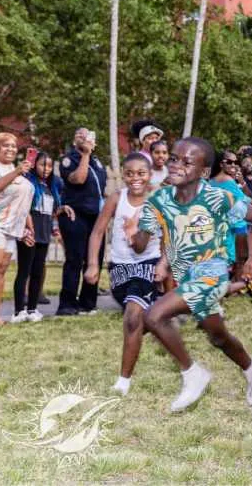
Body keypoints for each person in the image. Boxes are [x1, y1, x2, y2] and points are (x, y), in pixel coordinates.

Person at [132, 137, 252, 412]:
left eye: (187, 162)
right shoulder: (161, 198)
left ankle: (193, 374)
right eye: (174, 159)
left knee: (153, 316)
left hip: (212, 273)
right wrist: (138, 234)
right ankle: (251, 367)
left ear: (203, 172)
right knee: (217, 336)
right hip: (188, 277)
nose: (176, 165)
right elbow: (141, 242)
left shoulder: (217, 196)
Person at [84, 153, 163, 396]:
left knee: (132, 317)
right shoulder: (116, 198)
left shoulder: (157, 201)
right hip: (119, 267)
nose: (135, 178)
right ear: (123, 176)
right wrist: (92, 265)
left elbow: (171, 237)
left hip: (147, 263)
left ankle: (123, 381)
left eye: (141, 173)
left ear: (149, 175)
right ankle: (157, 323)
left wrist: (164, 263)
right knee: (137, 319)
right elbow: (97, 233)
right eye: (130, 173)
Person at [0, 133, 35, 327]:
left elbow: (20, 202)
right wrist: (17, 172)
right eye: (6, 146)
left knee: (1, 271)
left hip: (11, 229)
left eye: (13, 146)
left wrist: (27, 229)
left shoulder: (12, 168)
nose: (11, 149)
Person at [12, 152, 74, 323]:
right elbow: (23, 208)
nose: (46, 169)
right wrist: (25, 230)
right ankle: (18, 311)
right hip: (29, 235)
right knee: (24, 272)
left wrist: (63, 209)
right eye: (42, 165)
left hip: (44, 235)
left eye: (48, 166)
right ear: (34, 165)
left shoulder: (50, 187)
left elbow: (50, 212)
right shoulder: (28, 183)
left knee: (37, 273)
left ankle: (32, 309)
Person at [57, 127, 108, 316]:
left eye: (87, 135)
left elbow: (101, 189)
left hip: (96, 216)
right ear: (73, 141)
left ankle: (88, 303)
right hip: (75, 214)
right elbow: (78, 179)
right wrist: (85, 154)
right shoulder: (69, 159)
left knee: (94, 259)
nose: (83, 137)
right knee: (74, 259)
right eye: (79, 134)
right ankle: (67, 304)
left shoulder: (98, 162)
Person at [209, 149, 252, 275]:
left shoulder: (212, 180)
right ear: (221, 164)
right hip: (234, 226)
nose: (233, 165)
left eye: (236, 162)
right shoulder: (227, 180)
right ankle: (236, 284)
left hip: (218, 225)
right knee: (238, 259)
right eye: (229, 162)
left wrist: (241, 182)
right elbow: (247, 200)